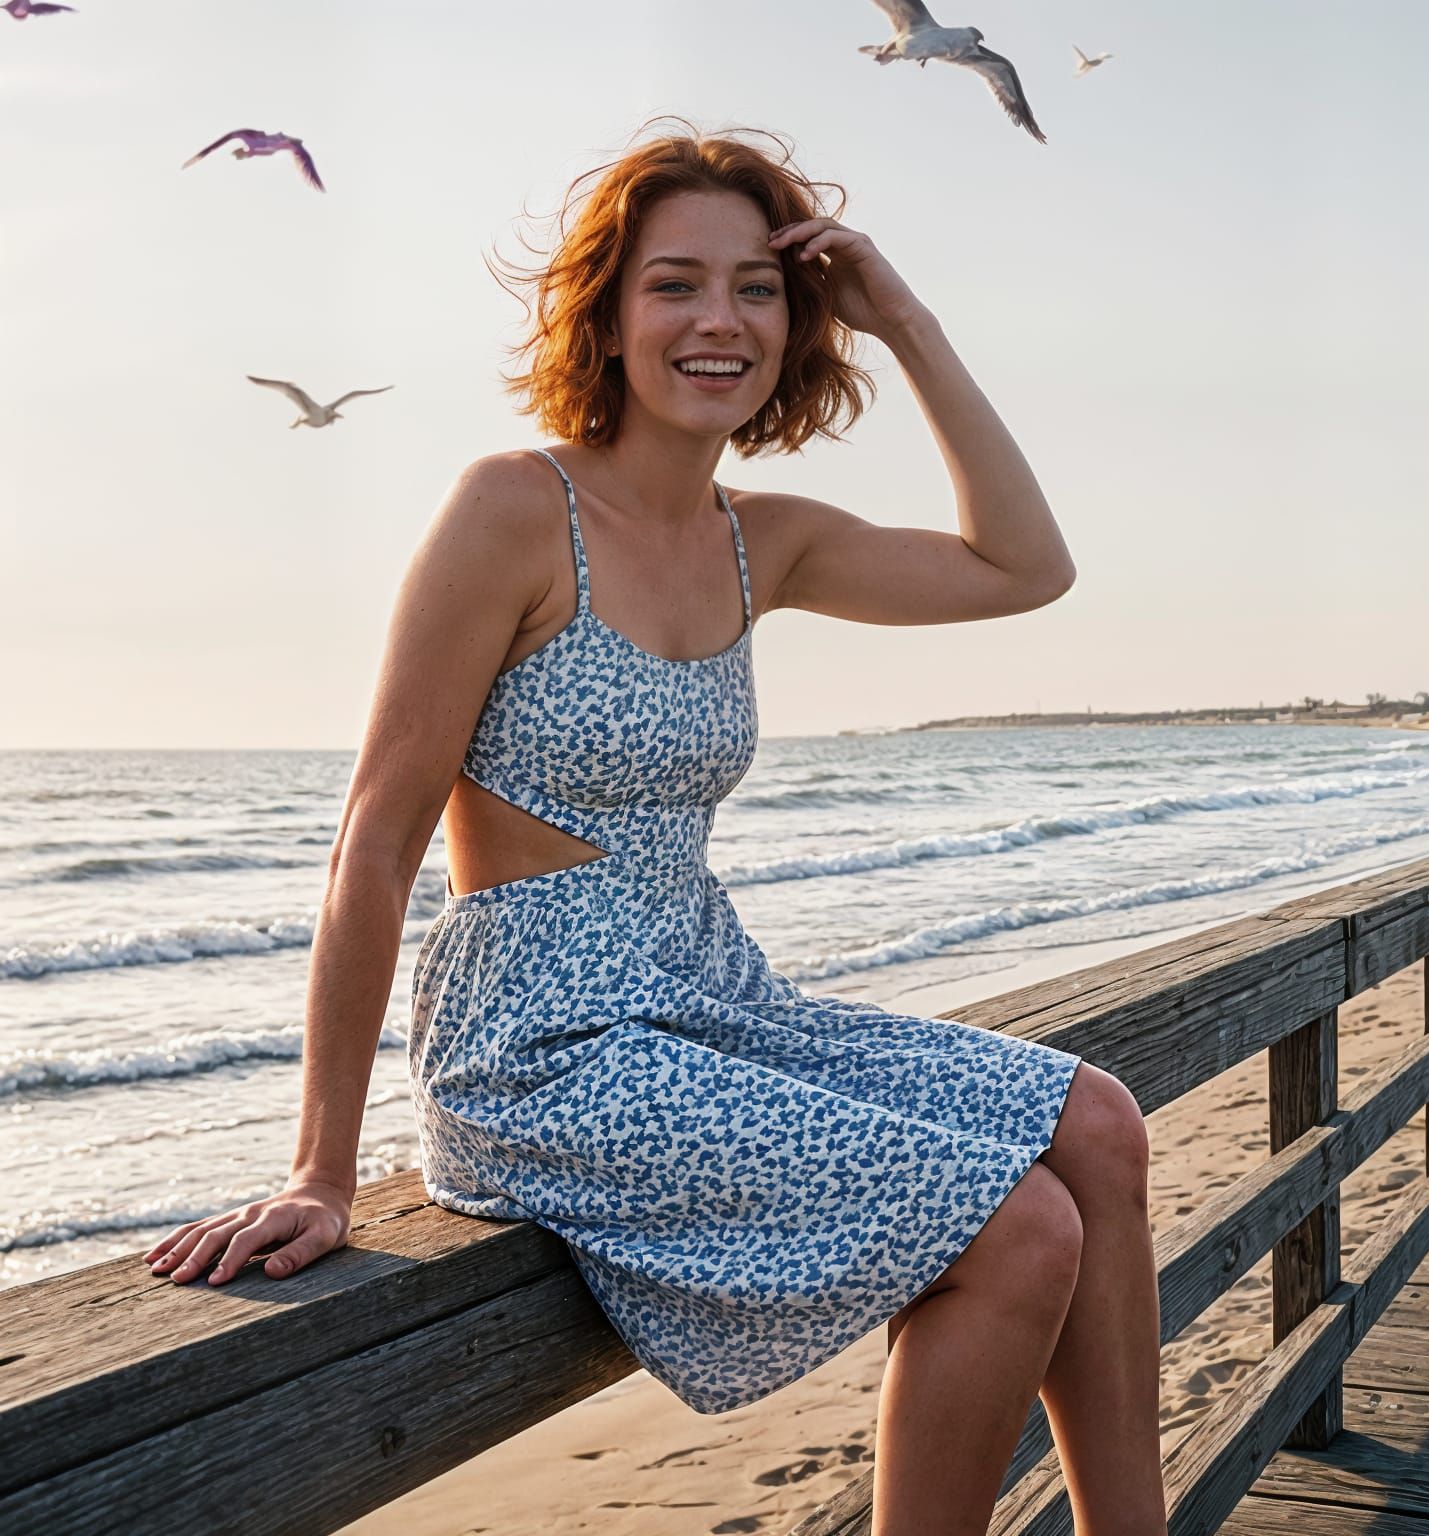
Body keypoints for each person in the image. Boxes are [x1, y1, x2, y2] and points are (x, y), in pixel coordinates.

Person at [144, 120, 1166, 1536]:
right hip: (542, 1045)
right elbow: (374, 840)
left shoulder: (766, 541)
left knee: (1099, 1128)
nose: (718, 321)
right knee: (1017, 1226)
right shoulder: (513, 509)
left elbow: (1025, 568)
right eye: (676, 283)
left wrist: (909, 321)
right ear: (611, 316)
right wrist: (323, 1169)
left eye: (758, 287)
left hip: (710, 995)